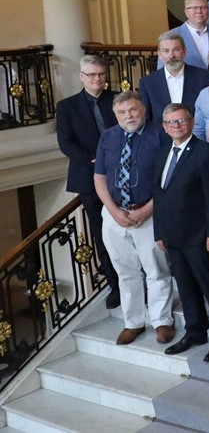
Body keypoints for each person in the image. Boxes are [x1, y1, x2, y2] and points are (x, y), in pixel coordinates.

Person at [153, 103, 209, 361]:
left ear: (191, 122)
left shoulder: (206, 152)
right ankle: (195, 331)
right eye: (171, 122)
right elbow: (159, 195)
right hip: (173, 236)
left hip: (200, 236)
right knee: (186, 287)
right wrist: (159, 232)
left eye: (181, 121)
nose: (176, 126)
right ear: (165, 127)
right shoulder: (162, 152)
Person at [93, 92, 174, 346]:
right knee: (125, 270)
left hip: (148, 213)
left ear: (143, 111)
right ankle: (133, 322)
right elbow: (100, 177)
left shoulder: (159, 135)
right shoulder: (108, 137)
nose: (128, 116)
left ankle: (162, 321)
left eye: (133, 110)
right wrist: (113, 210)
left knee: (156, 269)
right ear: (116, 115)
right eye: (122, 112)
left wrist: (147, 210)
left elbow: (168, 179)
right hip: (115, 214)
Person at [56, 55, 120, 307]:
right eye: (92, 75)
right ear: (82, 77)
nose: (97, 79)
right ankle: (114, 285)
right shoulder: (67, 106)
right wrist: (95, 161)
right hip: (88, 177)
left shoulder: (118, 99)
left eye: (101, 74)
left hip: (123, 175)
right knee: (102, 233)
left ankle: (140, 279)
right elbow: (66, 143)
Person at [140, 32, 209, 123]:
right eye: (166, 51)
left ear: (184, 52)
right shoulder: (148, 83)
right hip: (161, 135)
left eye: (176, 50)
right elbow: (147, 117)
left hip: (196, 134)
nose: (171, 55)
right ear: (160, 54)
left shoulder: (203, 77)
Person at [171, 0, 209, 71]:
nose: (199, 11)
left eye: (203, 7)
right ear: (186, 12)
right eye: (194, 8)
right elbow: (163, 68)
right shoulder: (172, 35)